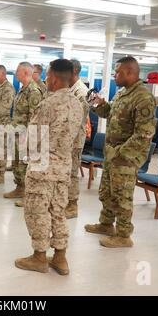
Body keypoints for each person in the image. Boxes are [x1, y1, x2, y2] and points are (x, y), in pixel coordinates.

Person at [15, 59, 82, 276]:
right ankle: (61, 258)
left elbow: (31, 139)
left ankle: (39, 257)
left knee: (37, 212)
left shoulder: (48, 104)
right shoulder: (78, 104)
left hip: (42, 169)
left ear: (53, 78)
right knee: (58, 212)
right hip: (63, 169)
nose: (45, 79)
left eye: (47, 76)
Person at [84, 56, 157, 248]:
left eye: (118, 72)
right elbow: (110, 113)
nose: (114, 75)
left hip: (125, 158)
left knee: (122, 195)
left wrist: (120, 153)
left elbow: (144, 133)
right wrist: (99, 104)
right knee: (107, 191)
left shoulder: (143, 97)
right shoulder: (123, 92)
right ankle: (106, 224)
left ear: (130, 72)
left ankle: (124, 235)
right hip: (112, 154)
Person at [4, 62, 43, 205]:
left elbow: (35, 117)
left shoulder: (33, 91)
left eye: (17, 71)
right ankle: (20, 188)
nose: (15, 73)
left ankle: (29, 195)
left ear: (26, 72)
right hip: (17, 133)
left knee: (25, 165)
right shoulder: (22, 89)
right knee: (16, 164)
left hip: (25, 136)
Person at [65, 59, 90, 219]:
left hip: (74, 140)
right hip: (65, 140)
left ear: (74, 71)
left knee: (72, 173)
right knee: (65, 173)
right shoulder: (69, 89)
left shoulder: (81, 91)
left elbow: (77, 118)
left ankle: (72, 205)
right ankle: (64, 202)